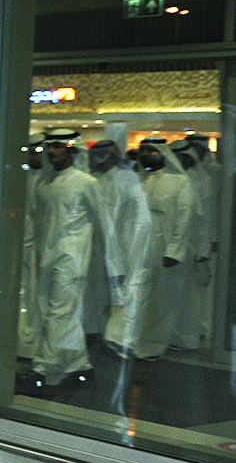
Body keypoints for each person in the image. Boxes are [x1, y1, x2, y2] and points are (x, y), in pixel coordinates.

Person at [25, 130, 119, 389]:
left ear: (72, 149)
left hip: (72, 259)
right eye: (50, 146)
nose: (52, 152)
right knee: (52, 312)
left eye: (58, 146)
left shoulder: (86, 183)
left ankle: (44, 369)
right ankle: (79, 364)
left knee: (60, 312)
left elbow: (105, 225)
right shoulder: (44, 183)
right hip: (46, 257)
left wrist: (116, 266)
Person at [85, 139, 153, 360]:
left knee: (126, 290)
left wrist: (129, 247)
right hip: (98, 243)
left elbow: (139, 218)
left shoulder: (127, 178)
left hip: (126, 243)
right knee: (98, 289)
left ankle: (121, 340)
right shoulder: (94, 179)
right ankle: (98, 331)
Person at [135, 137, 194, 361]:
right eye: (143, 151)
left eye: (151, 150)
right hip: (140, 247)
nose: (146, 155)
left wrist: (174, 250)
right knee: (140, 296)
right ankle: (137, 341)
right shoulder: (140, 182)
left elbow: (184, 217)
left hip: (163, 246)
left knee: (161, 298)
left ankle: (153, 344)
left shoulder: (179, 182)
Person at [170, 138, 215, 350]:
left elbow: (203, 219)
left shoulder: (200, 180)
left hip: (193, 247)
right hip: (177, 248)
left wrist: (203, 251)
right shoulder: (178, 179)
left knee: (191, 297)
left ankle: (188, 337)